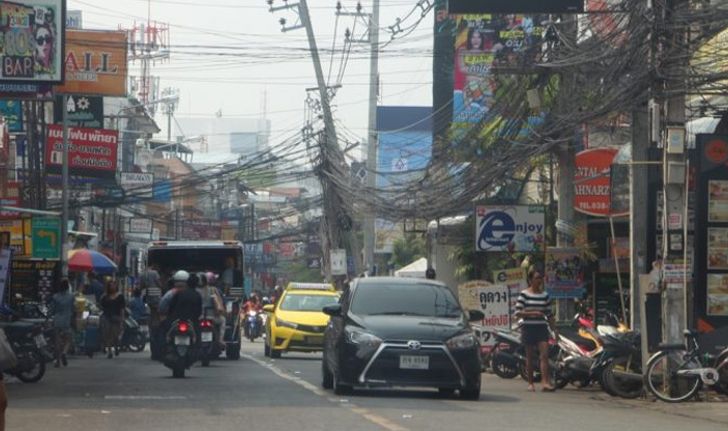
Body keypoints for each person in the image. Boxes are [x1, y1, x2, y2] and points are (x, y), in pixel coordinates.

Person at [515, 265, 557, 392]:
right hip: (528, 328)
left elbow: (550, 315)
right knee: (530, 356)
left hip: (541, 328)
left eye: (541, 278)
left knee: (544, 355)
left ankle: (545, 382)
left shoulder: (545, 295)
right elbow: (517, 313)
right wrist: (532, 313)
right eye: (537, 278)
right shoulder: (524, 294)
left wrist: (555, 330)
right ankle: (530, 383)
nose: (539, 281)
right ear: (530, 280)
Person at [197, 272, 226, 345]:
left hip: (198, 317)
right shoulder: (213, 290)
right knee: (223, 320)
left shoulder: (195, 290)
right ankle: (220, 340)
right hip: (212, 317)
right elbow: (219, 303)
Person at [51, 278, 74, 368]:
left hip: (57, 320)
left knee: (57, 341)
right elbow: (73, 308)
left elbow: (52, 310)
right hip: (67, 320)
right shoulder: (71, 297)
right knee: (68, 339)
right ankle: (64, 352)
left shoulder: (55, 297)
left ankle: (57, 361)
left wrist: (48, 317)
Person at [99, 279, 125, 359]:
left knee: (115, 334)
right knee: (108, 334)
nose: (112, 287)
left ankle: (116, 346)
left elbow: (122, 308)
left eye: (114, 285)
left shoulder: (120, 296)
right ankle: (110, 351)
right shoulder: (105, 297)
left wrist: (122, 318)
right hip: (107, 317)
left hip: (116, 317)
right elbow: (101, 306)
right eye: (111, 285)